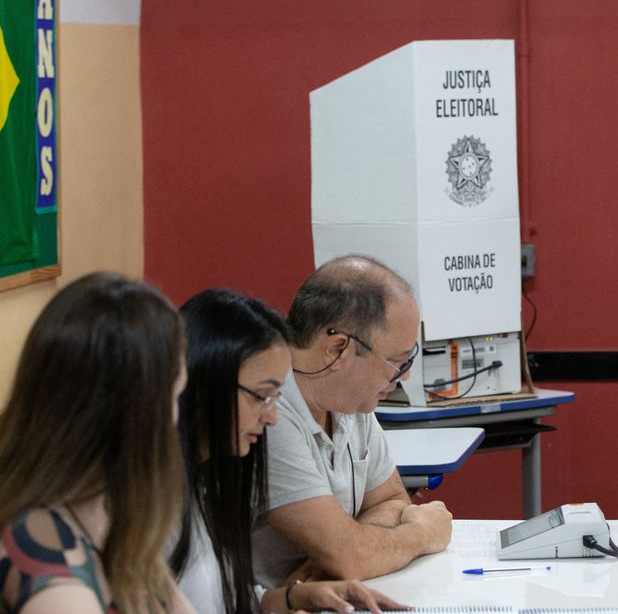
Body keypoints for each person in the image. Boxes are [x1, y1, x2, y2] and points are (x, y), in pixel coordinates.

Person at [0, 272, 196, 614]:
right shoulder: (44, 553)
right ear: (138, 417)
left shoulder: (109, 511)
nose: (174, 419)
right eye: (175, 397)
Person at [170, 288, 403, 614]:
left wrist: (293, 598)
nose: (272, 417)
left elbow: (221, 597)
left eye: (277, 397)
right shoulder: (150, 503)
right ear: (208, 382)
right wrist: (420, 531)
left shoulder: (200, 485)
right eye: (261, 396)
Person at [251, 255, 453, 588]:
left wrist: (343, 555)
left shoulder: (349, 400)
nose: (404, 375)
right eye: (397, 362)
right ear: (337, 350)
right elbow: (351, 557)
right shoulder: (267, 410)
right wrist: (421, 533)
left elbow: (391, 501)